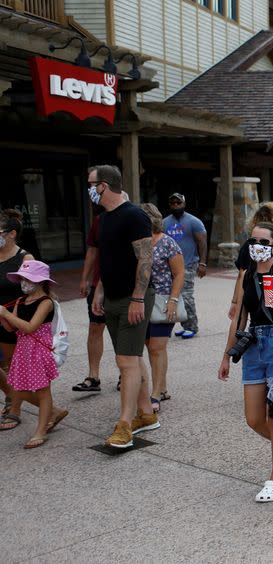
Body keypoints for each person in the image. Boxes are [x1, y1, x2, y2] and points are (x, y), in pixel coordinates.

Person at [219, 222, 273, 502]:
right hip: (254, 346)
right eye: (252, 240)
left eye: (263, 241)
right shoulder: (246, 275)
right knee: (254, 418)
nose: (256, 245)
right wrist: (226, 354)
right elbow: (240, 318)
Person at [89, 164, 159, 448]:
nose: (90, 190)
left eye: (91, 184)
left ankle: (125, 425)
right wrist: (99, 291)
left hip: (134, 298)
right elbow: (108, 259)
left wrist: (138, 298)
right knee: (131, 359)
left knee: (126, 362)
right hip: (112, 298)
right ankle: (146, 414)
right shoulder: (104, 218)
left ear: (103, 186)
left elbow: (146, 259)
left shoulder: (134, 215)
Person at [0, 260, 68, 448]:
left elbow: (30, 327)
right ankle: (54, 413)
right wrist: (4, 318)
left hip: (38, 352)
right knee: (19, 389)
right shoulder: (21, 301)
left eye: (27, 278)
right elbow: (12, 328)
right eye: (21, 278)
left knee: (43, 391)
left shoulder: (46, 302)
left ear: (40, 281)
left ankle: (41, 431)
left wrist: (6, 314)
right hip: (23, 350)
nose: (23, 282)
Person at [140, 204, 184, 412]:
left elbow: (179, 274)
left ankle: (155, 393)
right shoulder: (139, 242)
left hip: (163, 300)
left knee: (157, 347)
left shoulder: (168, 243)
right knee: (151, 346)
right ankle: (163, 387)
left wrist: (173, 300)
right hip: (141, 300)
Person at [228, 202, 273, 320]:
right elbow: (242, 276)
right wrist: (235, 302)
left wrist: (235, 302)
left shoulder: (250, 245)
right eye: (262, 219)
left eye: (267, 219)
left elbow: (240, 276)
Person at [0, 209, 34, 416]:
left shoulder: (25, 258)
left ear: (11, 234)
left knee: (14, 368)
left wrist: (12, 316)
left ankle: (14, 408)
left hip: (13, 320)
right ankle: (11, 395)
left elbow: (34, 292)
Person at [163, 193, 207, 339]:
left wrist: (202, 263)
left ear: (184, 203)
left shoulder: (194, 221)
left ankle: (192, 327)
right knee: (173, 295)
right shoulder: (164, 223)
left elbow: (202, 242)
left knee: (186, 296)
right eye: (173, 203)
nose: (176, 205)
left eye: (178, 203)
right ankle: (184, 324)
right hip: (169, 265)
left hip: (188, 264)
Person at [74, 206, 108, 393]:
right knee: (95, 327)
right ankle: (93, 376)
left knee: (121, 331)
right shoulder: (99, 220)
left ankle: (125, 374)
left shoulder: (131, 218)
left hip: (120, 285)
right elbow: (92, 250)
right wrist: (85, 278)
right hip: (97, 285)